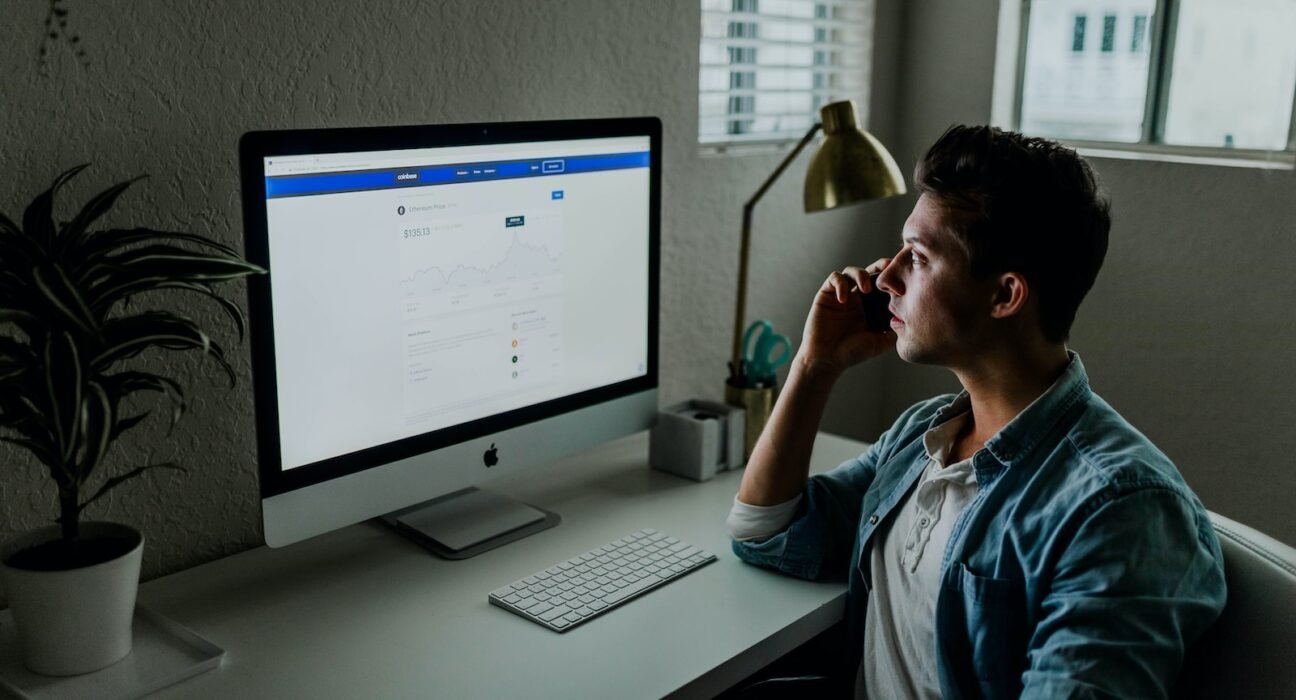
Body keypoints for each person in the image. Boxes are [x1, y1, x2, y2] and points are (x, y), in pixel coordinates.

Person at [727, 125, 1227, 699]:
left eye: (917, 257)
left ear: (1005, 295)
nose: (885, 276)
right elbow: (767, 533)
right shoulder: (926, 435)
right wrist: (815, 367)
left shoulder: (1120, 511)